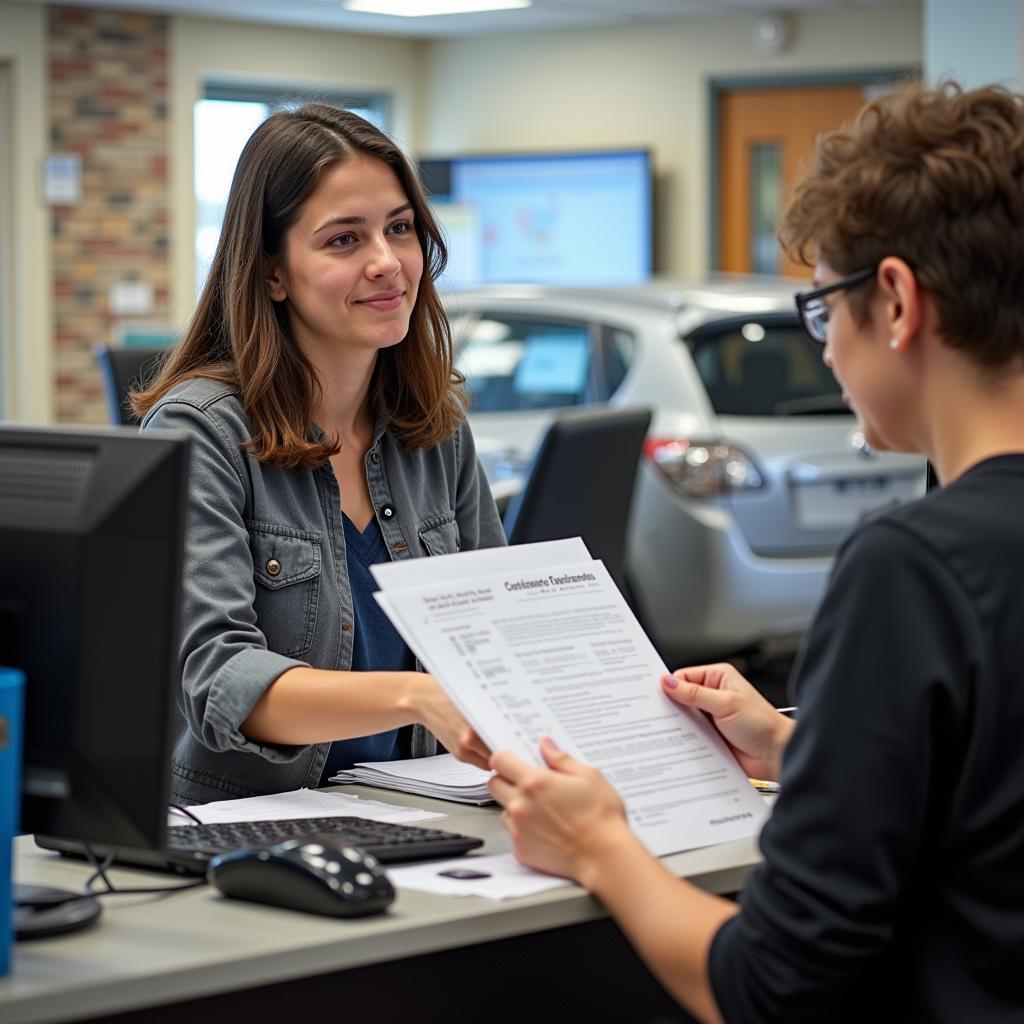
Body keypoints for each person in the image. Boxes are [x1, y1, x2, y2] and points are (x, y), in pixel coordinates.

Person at [488, 82, 1024, 1023]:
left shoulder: (915, 570)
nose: (821, 352)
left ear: (894, 300)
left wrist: (598, 846)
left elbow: (770, 990)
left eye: (823, 311)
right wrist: (794, 743)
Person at [133, 104, 504, 806]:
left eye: (399, 228)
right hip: (249, 827)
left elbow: (494, 635)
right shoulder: (201, 432)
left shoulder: (436, 431)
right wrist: (417, 696)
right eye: (343, 240)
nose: (387, 262)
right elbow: (221, 678)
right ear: (274, 273)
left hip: (421, 811)